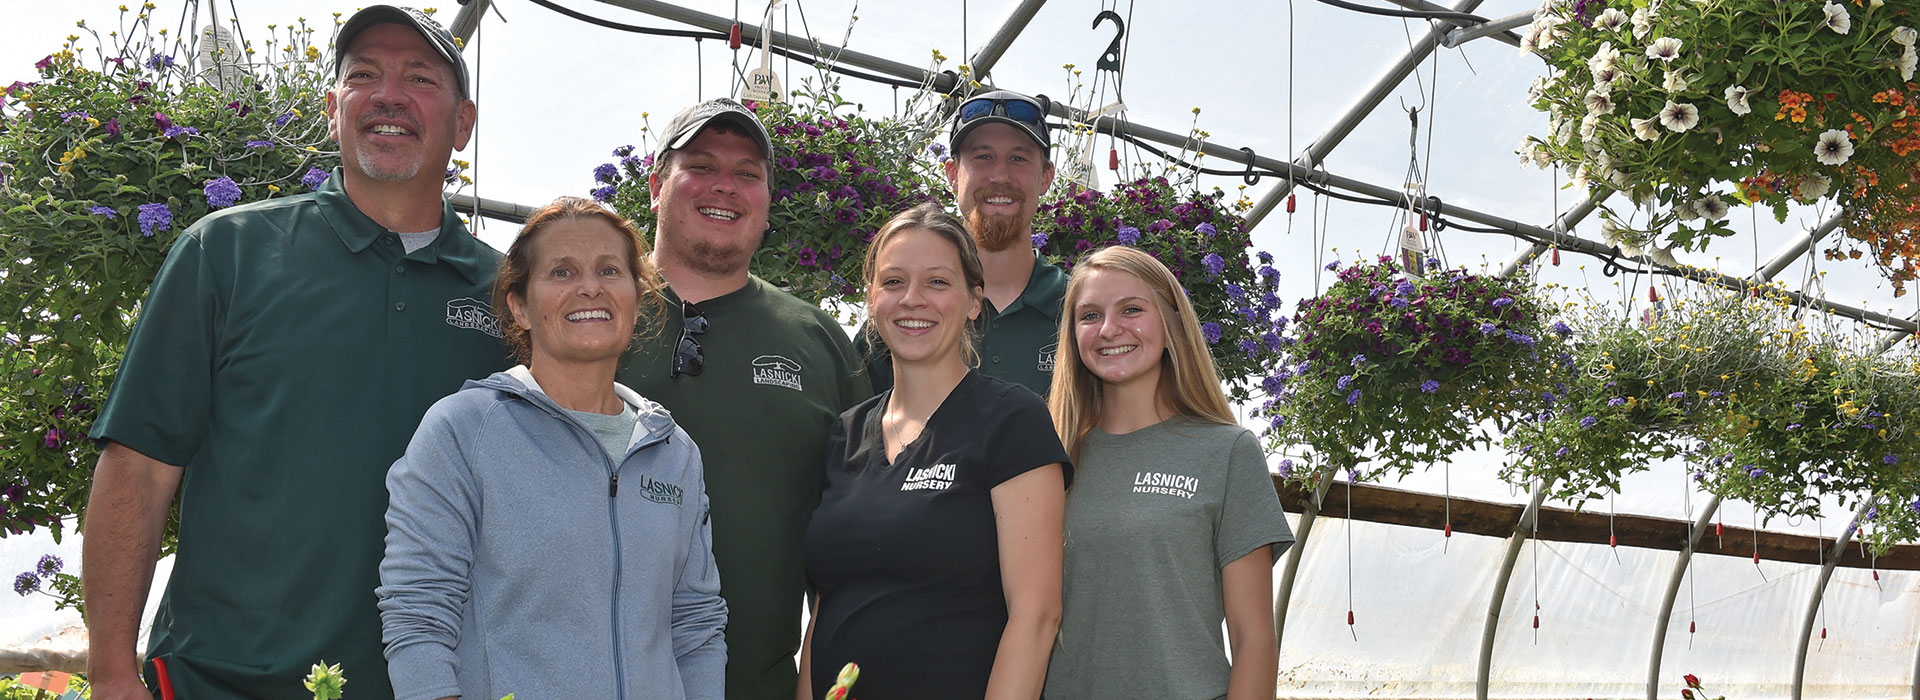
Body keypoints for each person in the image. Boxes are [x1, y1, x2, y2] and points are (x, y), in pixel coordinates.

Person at [81, 6, 499, 700]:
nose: (388, 95)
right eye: (364, 76)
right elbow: (139, 467)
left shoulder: (512, 295)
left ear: (462, 124)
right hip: (220, 681)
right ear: (335, 110)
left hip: (434, 686)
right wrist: (110, 673)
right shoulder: (227, 253)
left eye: (420, 78)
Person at [379, 197, 726, 700]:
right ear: (519, 305)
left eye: (610, 270)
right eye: (562, 272)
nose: (590, 287)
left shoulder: (674, 452)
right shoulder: (463, 430)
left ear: (636, 295)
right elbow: (417, 612)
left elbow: (696, 623)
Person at [615, 98, 871, 700]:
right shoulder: (590, 314)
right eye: (701, 166)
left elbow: (856, 537)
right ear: (656, 186)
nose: (725, 187)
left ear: (768, 201)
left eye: (747, 173)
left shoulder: (819, 342)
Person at [799, 202, 1070, 700]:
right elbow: (826, 609)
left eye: (939, 282)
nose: (913, 300)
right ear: (872, 299)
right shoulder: (845, 435)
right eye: (894, 281)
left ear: (973, 301)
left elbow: (1037, 616)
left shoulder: (1012, 420)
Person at [1041, 246, 1294, 700]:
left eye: (1132, 309)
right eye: (1090, 315)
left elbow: (1254, 639)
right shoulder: (1047, 457)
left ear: (1171, 324)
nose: (1109, 329)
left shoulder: (1228, 451)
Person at [859, 90, 1069, 397]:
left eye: (1018, 158)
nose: (1000, 175)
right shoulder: (904, 316)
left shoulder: (1081, 309)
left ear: (1046, 178)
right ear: (953, 174)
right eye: (983, 157)